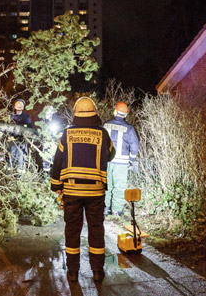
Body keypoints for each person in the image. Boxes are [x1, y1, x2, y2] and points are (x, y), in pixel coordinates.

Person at [50, 97, 114, 283]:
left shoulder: (67, 134)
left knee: (72, 230)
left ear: (76, 112)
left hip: (71, 190)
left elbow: (58, 161)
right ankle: (97, 272)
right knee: (96, 230)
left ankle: (72, 273)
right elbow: (110, 154)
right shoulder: (102, 134)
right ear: (94, 112)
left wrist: (56, 185)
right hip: (95, 192)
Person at [103, 102, 140, 217]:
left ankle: (106, 208)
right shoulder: (128, 129)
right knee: (119, 187)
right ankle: (116, 210)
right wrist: (131, 160)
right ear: (125, 115)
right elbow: (135, 146)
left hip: (106, 161)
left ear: (115, 111)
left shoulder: (106, 125)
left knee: (107, 185)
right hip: (121, 163)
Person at [8, 99, 33, 172]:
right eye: (17, 107)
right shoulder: (11, 116)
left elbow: (29, 127)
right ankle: (10, 172)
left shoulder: (26, 116)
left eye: (20, 107)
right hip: (12, 139)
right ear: (14, 107)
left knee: (21, 157)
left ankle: (20, 173)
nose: (18, 110)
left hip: (22, 140)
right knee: (11, 156)